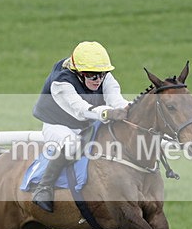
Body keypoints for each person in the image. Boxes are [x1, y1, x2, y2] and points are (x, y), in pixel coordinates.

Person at [31, 41, 130, 212]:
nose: (98, 79)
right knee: (72, 145)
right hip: (57, 125)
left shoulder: (104, 76)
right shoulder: (61, 83)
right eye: (92, 75)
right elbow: (81, 110)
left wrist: (129, 107)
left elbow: (116, 100)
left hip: (87, 125)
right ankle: (43, 188)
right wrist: (107, 113)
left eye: (101, 74)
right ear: (79, 72)